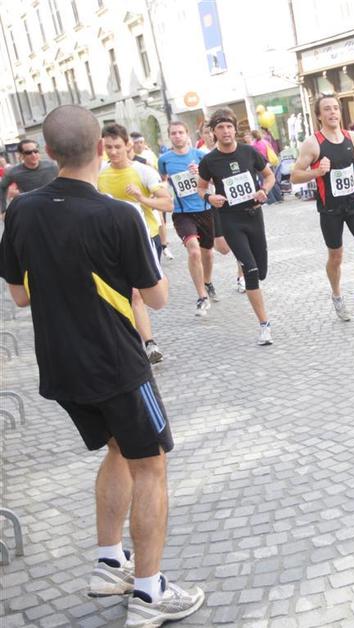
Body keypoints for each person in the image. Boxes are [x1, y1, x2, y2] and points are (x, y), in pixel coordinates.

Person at [0, 104, 204, 628]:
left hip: (60, 366)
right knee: (151, 464)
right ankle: (149, 593)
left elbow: (19, 296)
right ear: (100, 148)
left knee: (117, 450)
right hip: (117, 365)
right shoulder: (119, 215)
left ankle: (110, 563)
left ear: (48, 153)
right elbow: (157, 298)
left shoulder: (21, 211)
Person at [290, 95, 354, 327]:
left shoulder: (351, 136)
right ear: (319, 115)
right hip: (330, 209)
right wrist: (316, 172)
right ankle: (337, 295)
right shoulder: (313, 143)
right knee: (336, 257)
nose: (332, 112)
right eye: (327, 109)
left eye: (335, 108)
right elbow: (294, 175)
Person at [197, 107, 277, 346]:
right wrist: (209, 197)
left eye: (229, 126)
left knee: (261, 271)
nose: (226, 131)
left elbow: (269, 176)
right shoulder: (209, 161)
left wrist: (264, 190)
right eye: (220, 127)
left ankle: (257, 295)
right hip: (230, 220)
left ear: (234, 129)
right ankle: (264, 325)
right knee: (250, 271)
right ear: (214, 132)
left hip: (253, 216)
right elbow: (201, 187)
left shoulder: (249, 152)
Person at [99, 123, 173, 365]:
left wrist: (141, 198)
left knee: (151, 294)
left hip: (145, 237)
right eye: (108, 147)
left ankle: (160, 278)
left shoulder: (143, 171)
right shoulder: (99, 174)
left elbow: (167, 204)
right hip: (113, 242)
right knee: (132, 294)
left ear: (127, 145)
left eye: (117, 147)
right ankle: (149, 344)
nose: (113, 152)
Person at [158, 121, 218, 316]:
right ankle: (202, 296)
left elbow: (213, 182)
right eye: (173, 133)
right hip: (182, 212)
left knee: (208, 253)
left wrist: (200, 174)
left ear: (187, 134)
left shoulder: (200, 156)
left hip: (204, 209)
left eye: (180, 132)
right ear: (169, 136)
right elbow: (161, 181)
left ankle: (207, 282)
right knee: (193, 251)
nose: (177, 136)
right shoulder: (164, 160)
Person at [200, 122, 246, 294]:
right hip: (212, 205)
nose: (209, 135)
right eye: (205, 132)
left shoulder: (230, 150)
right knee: (223, 248)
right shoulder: (200, 154)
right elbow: (200, 184)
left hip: (233, 203)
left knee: (240, 241)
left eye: (209, 131)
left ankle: (242, 276)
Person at [0, 139, 60, 214]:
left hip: (53, 208)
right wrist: (4, 209)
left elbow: (65, 181)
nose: (33, 155)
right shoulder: (14, 172)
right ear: (21, 155)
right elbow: (2, 187)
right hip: (30, 211)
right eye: (28, 152)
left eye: (35, 151)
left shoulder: (52, 166)